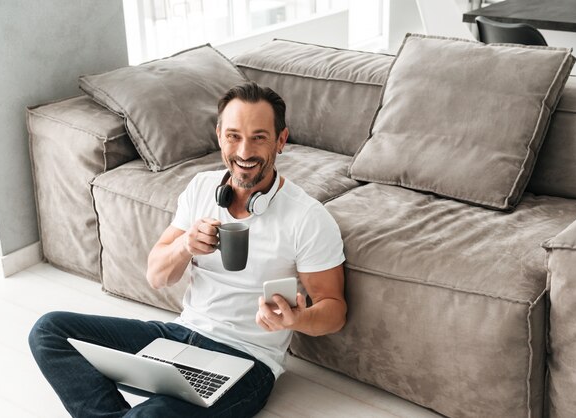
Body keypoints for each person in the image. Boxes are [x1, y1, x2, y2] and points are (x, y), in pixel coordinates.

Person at [29, 82, 347, 417]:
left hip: (248, 362)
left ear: (281, 140)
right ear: (219, 135)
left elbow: (334, 311)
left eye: (259, 137)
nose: (243, 151)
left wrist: (298, 319)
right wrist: (184, 246)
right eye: (234, 136)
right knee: (50, 331)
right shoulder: (202, 188)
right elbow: (156, 275)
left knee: (150, 415)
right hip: (180, 335)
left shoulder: (307, 217)